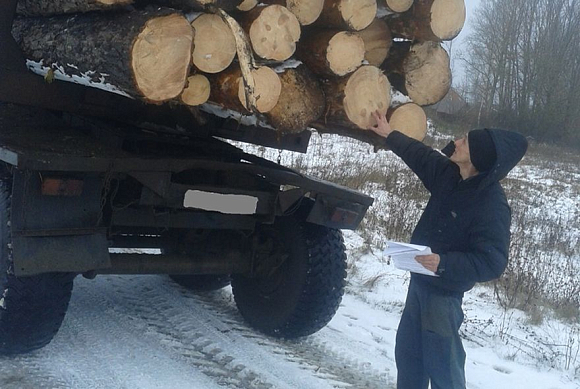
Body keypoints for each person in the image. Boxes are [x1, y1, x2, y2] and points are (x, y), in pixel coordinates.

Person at [368, 111, 528, 389]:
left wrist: (443, 263)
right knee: (408, 359)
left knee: (444, 370)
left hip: (444, 296)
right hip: (418, 285)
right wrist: (389, 134)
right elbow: (420, 155)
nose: (456, 141)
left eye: (464, 141)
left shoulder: (491, 205)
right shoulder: (449, 174)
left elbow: (493, 261)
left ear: (478, 157)